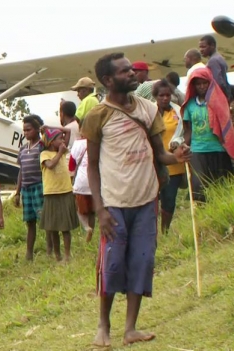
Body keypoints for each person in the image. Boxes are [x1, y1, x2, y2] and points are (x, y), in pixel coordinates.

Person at [81, 52, 191, 348]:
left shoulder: (148, 108)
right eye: (125, 71)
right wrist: (100, 209)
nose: (132, 74)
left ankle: (130, 329)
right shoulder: (96, 116)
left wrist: (177, 156)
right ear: (108, 80)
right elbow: (91, 165)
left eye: (132, 70)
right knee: (112, 266)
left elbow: (160, 155)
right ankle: (103, 326)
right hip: (114, 204)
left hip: (146, 201)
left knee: (142, 262)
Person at [182, 68, 234, 202]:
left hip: (218, 148)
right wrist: (184, 145)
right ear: (193, 86)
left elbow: (227, 127)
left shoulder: (218, 101)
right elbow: (189, 130)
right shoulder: (190, 105)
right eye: (198, 84)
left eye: (205, 83)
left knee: (220, 185)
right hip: (197, 150)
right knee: (199, 185)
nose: (202, 86)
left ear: (210, 83)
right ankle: (202, 215)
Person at [13, 114, 51, 261]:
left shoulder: (42, 146)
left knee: (45, 219)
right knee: (30, 222)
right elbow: (21, 171)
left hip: (39, 187)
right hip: (26, 189)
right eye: (24, 130)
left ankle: (50, 249)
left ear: (36, 130)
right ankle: (29, 253)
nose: (26, 133)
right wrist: (17, 192)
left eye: (29, 129)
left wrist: (44, 131)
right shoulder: (22, 149)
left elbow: (50, 141)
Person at [39, 128, 79, 262]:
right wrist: (60, 152)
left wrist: (48, 127)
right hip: (51, 193)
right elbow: (50, 165)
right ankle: (57, 255)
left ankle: (67, 255)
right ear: (51, 142)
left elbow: (68, 131)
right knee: (53, 227)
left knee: (65, 227)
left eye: (62, 139)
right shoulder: (45, 154)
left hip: (65, 191)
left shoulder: (62, 151)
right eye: (59, 139)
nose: (63, 141)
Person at [153, 79, 186, 234]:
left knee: (169, 200)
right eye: (161, 95)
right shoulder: (149, 112)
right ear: (155, 96)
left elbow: (185, 132)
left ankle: (165, 231)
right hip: (152, 165)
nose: (165, 98)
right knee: (152, 200)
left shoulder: (178, 112)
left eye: (167, 95)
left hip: (174, 164)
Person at [69, 137, 94, 242]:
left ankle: (86, 227)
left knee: (79, 209)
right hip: (95, 182)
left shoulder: (78, 144)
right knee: (92, 211)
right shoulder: (98, 141)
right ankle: (90, 237)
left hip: (81, 182)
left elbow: (71, 165)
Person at [199, 35, 232, 99]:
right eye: (200, 47)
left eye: (203, 47)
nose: (201, 50)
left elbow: (218, 82)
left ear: (212, 46)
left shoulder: (213, 61)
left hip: (219, 97)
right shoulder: (219, 57)